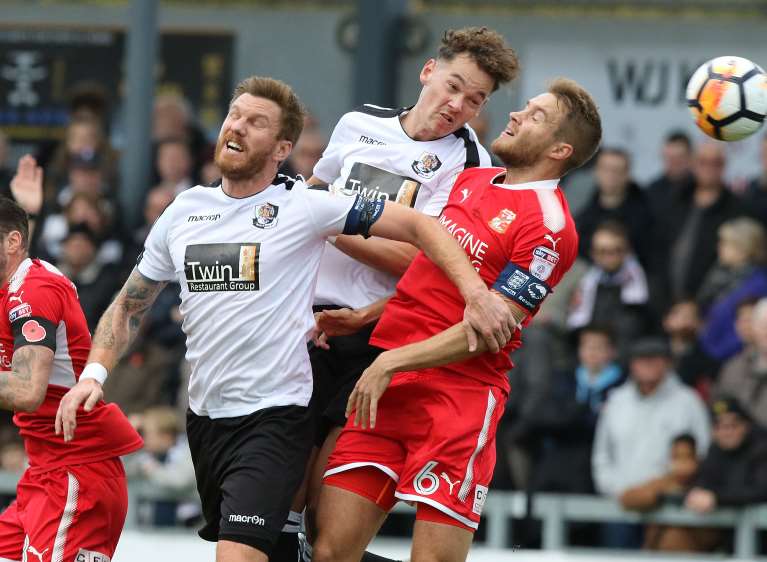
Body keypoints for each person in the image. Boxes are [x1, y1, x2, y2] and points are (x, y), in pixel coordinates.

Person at [54, 75, 514, 562]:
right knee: (294, 552)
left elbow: (421, 226)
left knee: (242, 556)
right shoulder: (184, 210)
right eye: (235, 115)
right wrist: (94, 374)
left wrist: (475, 293)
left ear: (282, 148)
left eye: (257, 123)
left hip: (275, 414)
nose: (238, 127)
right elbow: (130, 303)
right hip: (207, 418)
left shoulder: (303, 206)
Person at [310, 78, 602, 562]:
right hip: (390, 384)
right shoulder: (472, 181)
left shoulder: (551, 227)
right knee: (329, 552)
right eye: (525, 107)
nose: (515, 115)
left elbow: (491, 330)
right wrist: (367, 316)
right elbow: (429, 277)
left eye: (535, 116)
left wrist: (391, 361)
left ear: (560, 148)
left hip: (458, 399)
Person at [304, 27, 519, 554]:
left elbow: (421, 261)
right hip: (307, 322)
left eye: (475, 100)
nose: (457, 105)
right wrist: (320, 216)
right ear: (428, 71)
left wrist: (333, 223)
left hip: (372, 334)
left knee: (323, 521)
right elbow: (312, 191)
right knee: (283, 508)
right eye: (453, 86)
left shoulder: (471, 165)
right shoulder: (358, 124)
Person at [0, 197, 143, 562]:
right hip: (44, 471)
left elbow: (27, 390)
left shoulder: (31, 291)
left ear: (13, 242)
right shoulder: (15, 287)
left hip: (78, 472)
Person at [592, 337, 710, 548]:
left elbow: (702, 450)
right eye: (641, 359)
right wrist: (615, 490)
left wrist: (670, 490)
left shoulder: (688, 401)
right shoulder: (617, 401)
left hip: (669, 510)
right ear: (632, 364)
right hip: (620, 507)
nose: (647, 365)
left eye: (654, 359)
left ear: (667, 362)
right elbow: (601, 455)